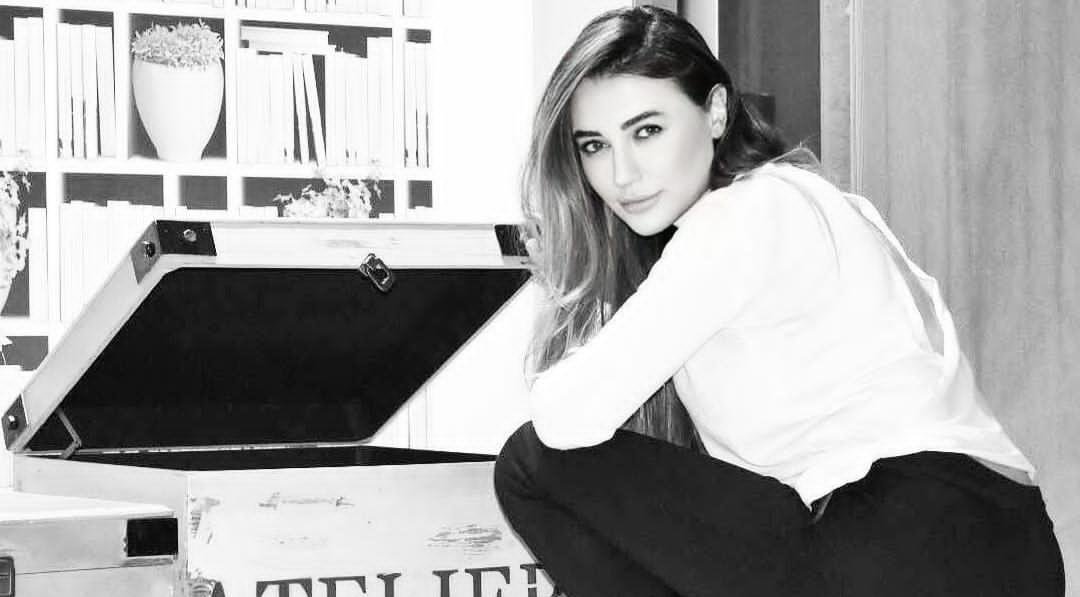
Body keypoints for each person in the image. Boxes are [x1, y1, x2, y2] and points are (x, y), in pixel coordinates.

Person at [492, 6, 1065, 596]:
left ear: (715, 111)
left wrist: (569, 303)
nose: (622, 174)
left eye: (647, 131)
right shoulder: (807, 198)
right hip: (1014, 546)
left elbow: (564, 418)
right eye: (594, 146)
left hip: (905, 532)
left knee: (530, 464)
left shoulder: (739, 218)